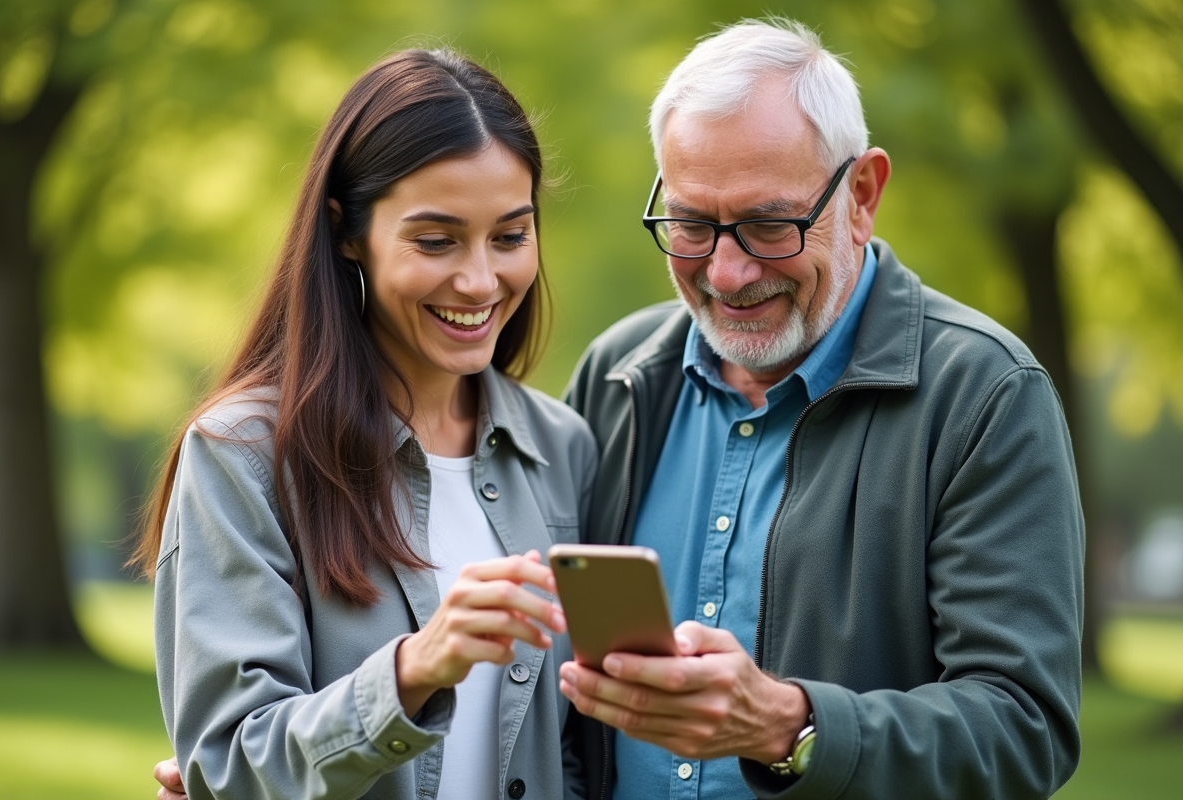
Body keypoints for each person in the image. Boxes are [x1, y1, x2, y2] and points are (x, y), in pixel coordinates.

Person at [557, 17, 1083, 800]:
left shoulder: (985, 394)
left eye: (770, 226)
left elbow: (1021, 729)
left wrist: (787, 727)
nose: (728, 274)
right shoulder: (617, 374)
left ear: (862, 194)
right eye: (693, 226)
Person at [136, 48, 595, 800]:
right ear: (347, 231)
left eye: (510, 236)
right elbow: (229, 760)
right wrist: (415, 670)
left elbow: (576, 751)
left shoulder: (562, 448)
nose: (480, 280)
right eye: (436, 240)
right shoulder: (242, 454)